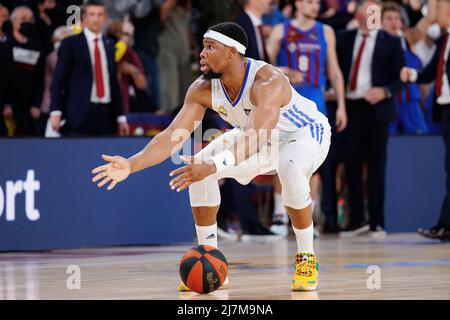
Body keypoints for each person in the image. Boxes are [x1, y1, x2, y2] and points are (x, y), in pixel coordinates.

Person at [92, 22, 330, 291]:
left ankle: (306, 258)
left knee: (288, 165)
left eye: (209, 47)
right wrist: (131, 164)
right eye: (202, 47)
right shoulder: (201, 89)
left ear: (231, 53)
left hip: (303, 133)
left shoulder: (268, 82)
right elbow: (172, 136)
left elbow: (257, 136)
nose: (201, 53)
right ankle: (211, 263)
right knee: (198, 168)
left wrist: (216, 165)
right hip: (256, 138)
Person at [266, 0, 347, 234]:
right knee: (280, 154)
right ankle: (280, 215)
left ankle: (307, 216)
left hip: (315, 99)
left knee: (312, 160)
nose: (315, 6)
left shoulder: (326, 31)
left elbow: (334, 70)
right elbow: (262, 67)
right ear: (298, 3)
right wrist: (284, 70)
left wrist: (341, 105)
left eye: (317, 3)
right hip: (285, 99)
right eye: (310, 1)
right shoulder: (281, 30)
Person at [336, 0, 405, 239]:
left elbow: (401, 78)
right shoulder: (344, 38)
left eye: (376, 9)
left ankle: (377, 222)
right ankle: (357, 220)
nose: (372, 12)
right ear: (358, 12)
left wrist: (385, 91)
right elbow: (335, 70)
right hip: (351, 108)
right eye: (368, 7)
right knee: (351, 164)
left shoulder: (392, 42)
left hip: (377, 110)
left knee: (376, 166)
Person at [401, 0, 450, 241]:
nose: (434, 15)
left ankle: (445, 224)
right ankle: (445, 224)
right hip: (446, 111)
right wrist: (412, 74)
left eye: (438, 9)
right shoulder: (444, 40)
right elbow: (431, 72)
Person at [50, 0, 129, 136]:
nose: (96, 19)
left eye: (100, 15)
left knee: (103, 155)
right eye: (92, 14)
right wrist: (56, 111)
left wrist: (121, 117)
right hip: (78, 114)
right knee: (77, 155)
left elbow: (113, 83)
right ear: (85, 17)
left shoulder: (110, 45)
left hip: (106, 115)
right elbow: (58, 80)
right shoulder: (70, 44)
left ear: (105, 18)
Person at [382, 1, 428, 135]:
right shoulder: (376, 44)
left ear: (402, 23)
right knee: (389, 146)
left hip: (411, 103)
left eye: (397, 18)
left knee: (421, 144)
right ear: (381, 22)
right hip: (389, 103)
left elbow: (428, 21)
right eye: (389, 18)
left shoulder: (409, 38)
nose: (394, 22)